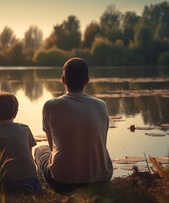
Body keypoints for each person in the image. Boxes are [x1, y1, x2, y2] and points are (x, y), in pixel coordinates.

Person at [34, 57, 113, 194]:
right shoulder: (101, 105)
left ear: (63, 80)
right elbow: (102, 140)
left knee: (40, 150)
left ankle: (40, 188)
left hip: (63, 183)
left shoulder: (50, 106)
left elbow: (52, 146)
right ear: (87, 81)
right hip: (101, 180)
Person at [0, 93, 41, 193]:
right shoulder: (25, 129)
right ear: (15, 113)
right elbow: (30, 157)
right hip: (31, 183)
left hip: (4, 186)